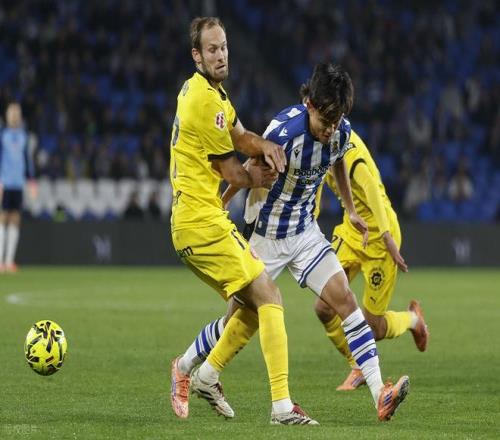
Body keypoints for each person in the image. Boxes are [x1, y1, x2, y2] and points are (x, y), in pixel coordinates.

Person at [171, 62, 410, 423]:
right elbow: (248, 168)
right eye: (325, 121)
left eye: (336, 121)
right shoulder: (284, 132)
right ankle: (193, 368)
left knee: (345, 299)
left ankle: (380, 393)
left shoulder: (340, 131)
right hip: (266, 235)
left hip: (304, 232)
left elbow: (338, 160)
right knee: (239, 319)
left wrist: (349, 208)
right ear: (310, 104)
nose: (330, 129)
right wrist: (222, 202)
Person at [169, 17, 318, 425]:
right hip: (200, 222)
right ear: (197, 55)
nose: (221, 55)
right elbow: (232, 171)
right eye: (212, 49)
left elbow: (240, 135)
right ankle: (281, 407)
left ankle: (193, 371)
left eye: (224, 47)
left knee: (250, 308)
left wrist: (265, 145)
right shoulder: (204, 102)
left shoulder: (209, 93)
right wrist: (259, 175)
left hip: (197, 221)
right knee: (269, 295)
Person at [314, 129, 429, 391]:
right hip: (351, 232)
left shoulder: (349, 151)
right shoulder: (318, 139)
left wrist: (387, 236)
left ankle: (413, 320)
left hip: (379, 238)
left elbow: (371, 188)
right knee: (323, 307)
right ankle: (358, 365)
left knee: (373, 328)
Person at [0, 103, 36, 273]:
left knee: (15, 219)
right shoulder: (2, 135)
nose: (14, 116)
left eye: (17, 113)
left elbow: (28, 160)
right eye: (12, 113)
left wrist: (32, 180)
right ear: (7, 116)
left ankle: (9, 261)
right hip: (4, 183)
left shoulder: (24, 136)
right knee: (2, 218)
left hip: (18, 183)